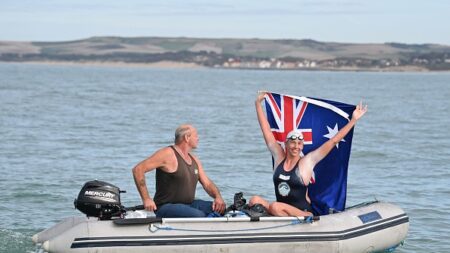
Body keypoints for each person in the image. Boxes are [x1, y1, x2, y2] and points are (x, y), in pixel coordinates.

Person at [250, 92, 367, 217]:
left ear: (302, 146)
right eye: (293, 143)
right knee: (254, 200)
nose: (296, 146)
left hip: (304, 214)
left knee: (275, 206)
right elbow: (266, 130)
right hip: (280, 210)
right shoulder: (278, 157)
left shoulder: (307, 162)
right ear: (286, 143)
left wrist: (353, 120)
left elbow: (333, 141)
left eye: (299, 143)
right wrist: (257, 104)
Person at [132, 124, 226, 218]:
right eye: (196, 135)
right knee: (198, 215)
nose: (198, 138)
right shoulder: (167, 154)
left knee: (221, 209)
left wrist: (218, 197)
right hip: (165, 207)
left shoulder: (194, 158)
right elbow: (138, 169)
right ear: (187, 137)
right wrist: (146, 199)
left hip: (189, 205)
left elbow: (207, 184)